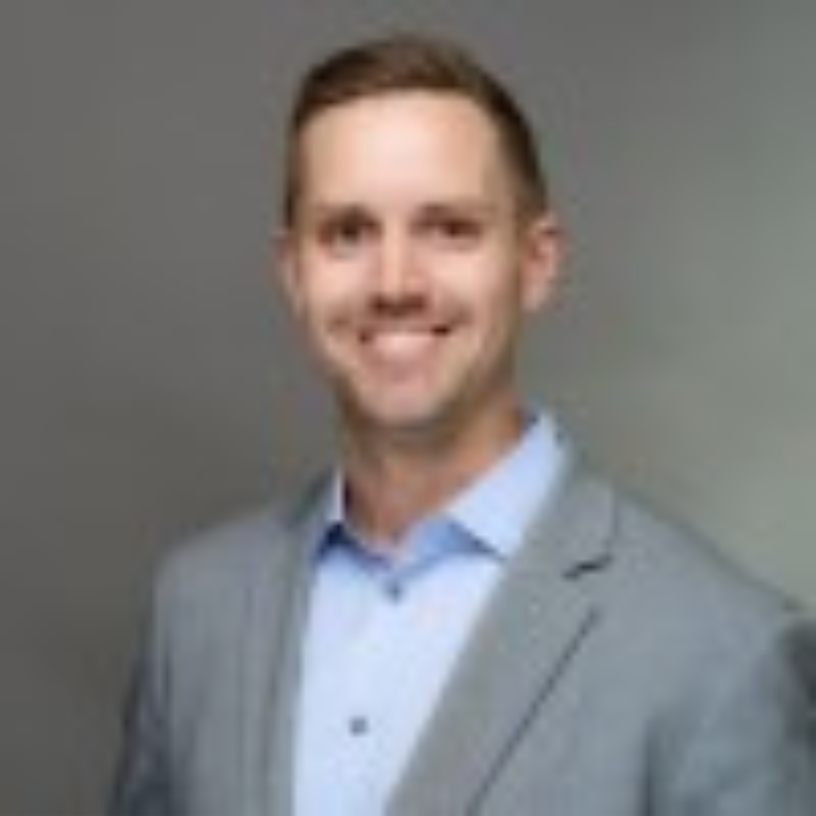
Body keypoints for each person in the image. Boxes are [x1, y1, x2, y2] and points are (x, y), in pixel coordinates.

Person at [110, 32, 816, 816]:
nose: (395, 282)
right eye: (348, 232)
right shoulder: (197, 609)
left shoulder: (722, 652)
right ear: (294, 274)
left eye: (449, 227)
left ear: (536, 262)